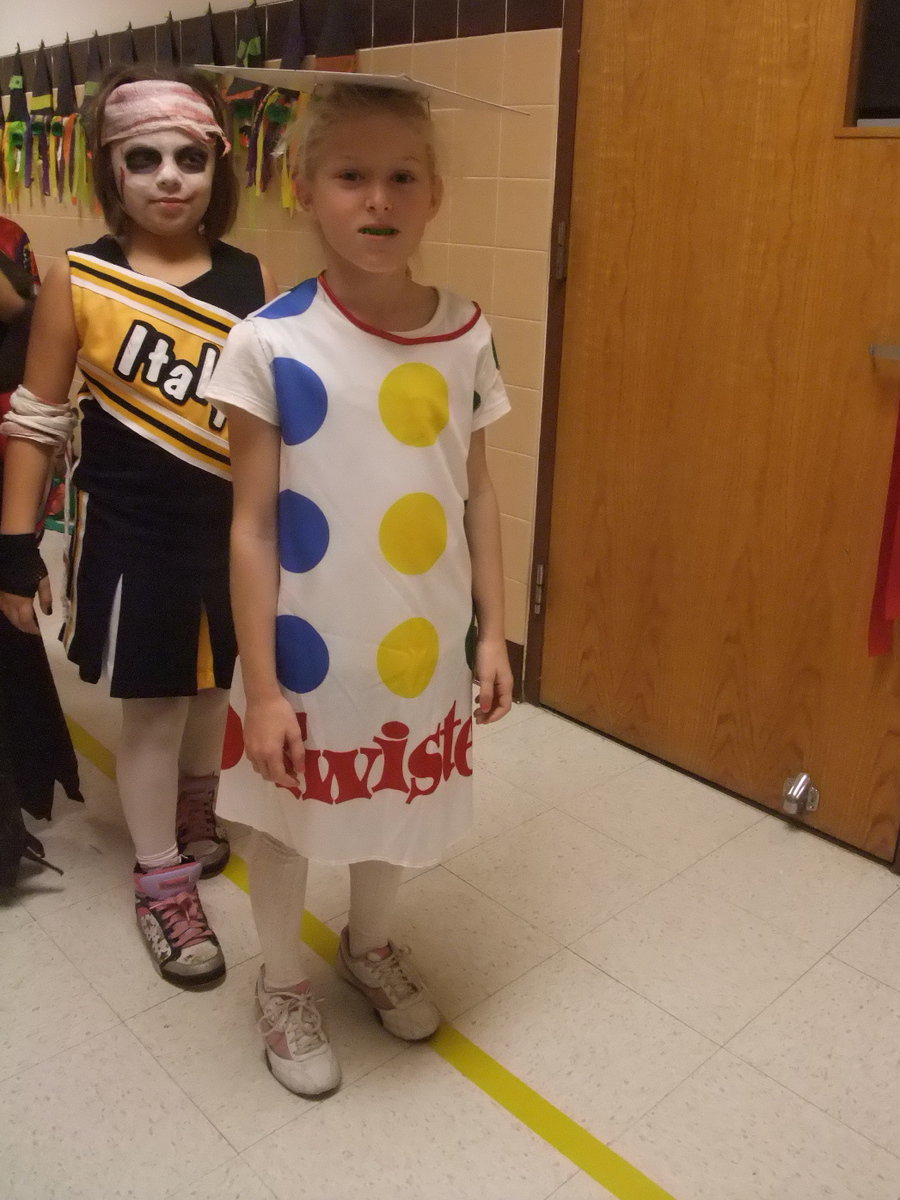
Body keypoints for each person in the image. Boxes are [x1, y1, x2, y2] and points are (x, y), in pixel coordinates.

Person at [207, 80, 513, 1097]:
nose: (376, 200)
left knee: (393, 805)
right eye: (351, 176)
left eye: (401, 177)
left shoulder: (467, 332)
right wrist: (258, 687)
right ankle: (282, 979)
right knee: (290, 821)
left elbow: (476, 497)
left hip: (418, 644)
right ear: (304, 189)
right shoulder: (269, 343)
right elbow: (250, 524)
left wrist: (494, 634)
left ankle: (368, 943)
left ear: (434, 197)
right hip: (303, 652)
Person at [0, 66, 277, 983]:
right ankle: (159, 878)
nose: (169, 177)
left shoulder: (247, 276)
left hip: (228, 530)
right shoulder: (77, 277)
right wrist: (12, 546)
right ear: (109, 171)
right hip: (132, 530)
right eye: (144, 158)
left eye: (189, 158)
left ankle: (194, 811)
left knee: (210, 692)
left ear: (216, 168)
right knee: (154, 706)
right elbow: (35, 418)